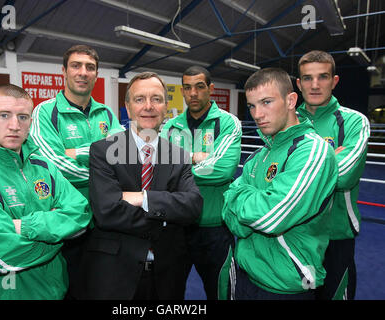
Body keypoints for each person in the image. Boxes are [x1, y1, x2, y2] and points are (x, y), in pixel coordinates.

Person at [0, 84, 91, 300]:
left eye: (23, 117)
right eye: (4, 115)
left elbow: (81, 213)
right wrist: (58, 237)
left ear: (31, 121)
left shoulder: (44, 165)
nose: (14, 125)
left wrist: (24, 226)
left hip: (55, 290)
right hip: (3, 293)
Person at [74, 71, 203, 300]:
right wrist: (166, 218)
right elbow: (107, 211)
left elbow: (193, 206)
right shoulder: (103, 151)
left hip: (168, 274)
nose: (148, 106)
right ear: (127, 105)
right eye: (140, 99)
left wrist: (142, 198)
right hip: (115, 272)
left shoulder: (179, 155)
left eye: (156, 99)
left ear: (166, 106)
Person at [222, 68, 338, 299]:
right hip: (246, 275)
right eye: (252, 105)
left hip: (287, 286)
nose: (257, 114)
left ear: (291, 100)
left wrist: (238, 193)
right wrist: (246, 204)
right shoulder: (258, 155)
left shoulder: (312, 151)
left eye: (266, 102)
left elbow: (270, 217)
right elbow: (231, 220)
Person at [29, 44, 123, 297]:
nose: (83, 72)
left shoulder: (106, 112)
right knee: (70, 289)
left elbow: (124, 155)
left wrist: (77, 152)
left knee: (104, 288)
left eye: (90, 67)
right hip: (67, 223)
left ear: (96, 74)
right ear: (64, 71)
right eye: (76, 65)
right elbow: (54, 168)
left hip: (105, 220)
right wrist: (104, 167)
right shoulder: (45, 112)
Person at [160, 66, 241, 299]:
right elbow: (159, 169)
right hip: (176, 227)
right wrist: (196, 158)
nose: (193, 93)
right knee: (170, 294)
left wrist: (178, 162)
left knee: (222, 294)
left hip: (215, 229)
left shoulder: (227, 123)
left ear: (211, 89)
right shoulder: (171, 126)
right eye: (187, 87)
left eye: (199, 86)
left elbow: (223, 170)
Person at [296, 50, 370, 300]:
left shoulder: (353, 122)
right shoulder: (287, 122)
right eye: (307, 78)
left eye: (323, 77)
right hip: (296, 234)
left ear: (334, 81)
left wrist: (299, 170)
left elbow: (345, 175)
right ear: (298, 83)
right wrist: (329, 158)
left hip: (336, 235)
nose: (315, 85)